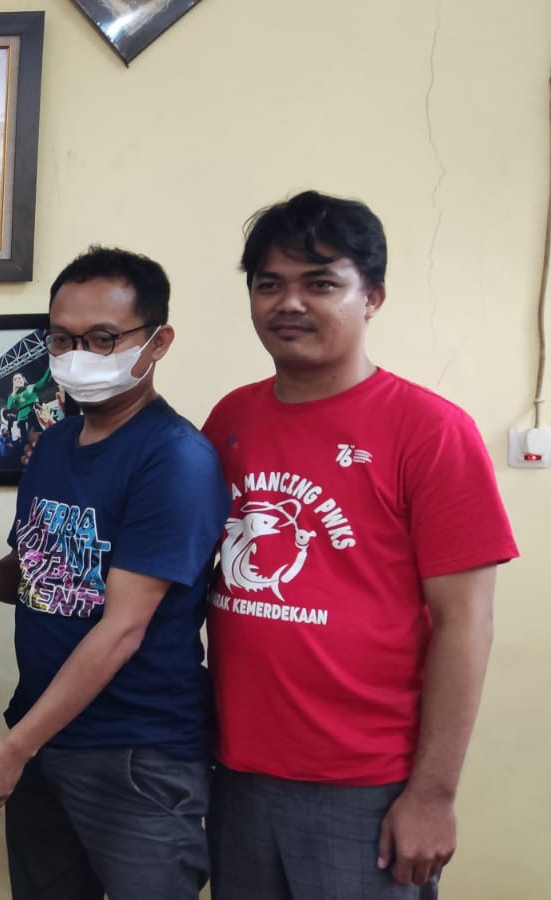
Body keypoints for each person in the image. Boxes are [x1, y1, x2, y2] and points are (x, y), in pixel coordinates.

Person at [202, 191, 518, 900]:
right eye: (269, 284)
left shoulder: (431, 431)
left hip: (366, 789)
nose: (289, 303)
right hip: (238, 773)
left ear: (372, 296)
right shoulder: (230, 418)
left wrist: (433, 794)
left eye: (320, 284)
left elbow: (467, 623)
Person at [0, 246, 229, 900]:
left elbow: (122, 628)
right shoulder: (52, 446)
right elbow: (35, 581)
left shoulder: (175, 459)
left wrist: (14, 748)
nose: (79, 355)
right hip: (45, 740)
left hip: (136, 757)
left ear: (157, 342)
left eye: (103, 338)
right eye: (63, 338)